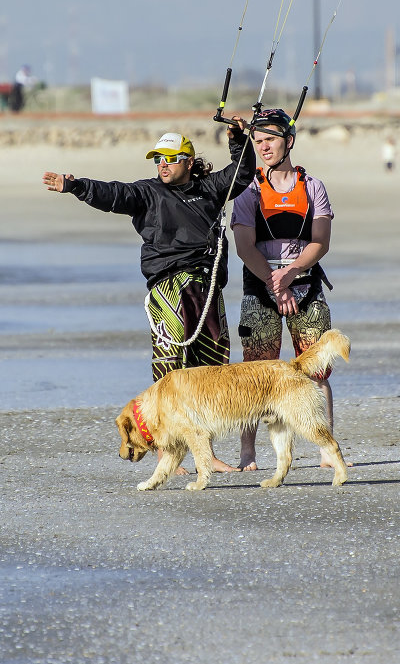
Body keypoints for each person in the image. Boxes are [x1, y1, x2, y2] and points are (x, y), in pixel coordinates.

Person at [43, 122, 255, 473]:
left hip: (207, 286)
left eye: (170, 159)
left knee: (210, 373)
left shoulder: (210, 188)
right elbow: (113, 194)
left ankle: (208, 455)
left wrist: (239, 141)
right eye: (158, 160)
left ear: (188, 161)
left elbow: (243, 174)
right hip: (169, 287)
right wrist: (75, 186)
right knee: (170, 366)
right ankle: (165, 453)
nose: (162, 165)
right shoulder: (148, 193)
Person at [230, 108, 340, 472]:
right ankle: (248, 452)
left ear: (288, 141)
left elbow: (320, 241)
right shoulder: (248, 190)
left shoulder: (313, 187)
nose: (263, 147)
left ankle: (327, 449)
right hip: (261, 287)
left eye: (270, 140)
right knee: (255, 375)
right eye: (257, 141)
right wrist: (274, 283)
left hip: (304, 285)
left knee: (316, 372)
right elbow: (244, 246)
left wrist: (293, 272)